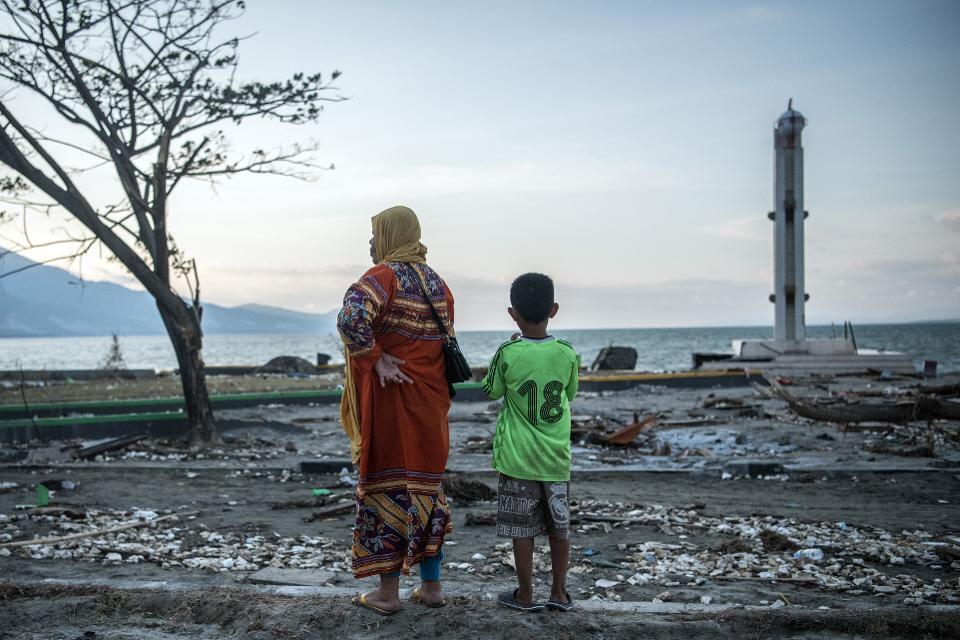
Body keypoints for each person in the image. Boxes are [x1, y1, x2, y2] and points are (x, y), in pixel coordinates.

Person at [337, 205, 454, 615]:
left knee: (390, 486)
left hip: (393, 405)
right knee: (426, 490)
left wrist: (377, 358)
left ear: (391, 235)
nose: (371, 243)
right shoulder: (438, 285)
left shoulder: (383, 277)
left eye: (375, 233)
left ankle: (387, 595)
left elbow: (351, 318)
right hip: (432, 407)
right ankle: (432, 587)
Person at [481, 273, 579, 612]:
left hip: (517, 459)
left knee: (521, 529)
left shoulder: (508, 352)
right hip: (555, 459)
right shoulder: (566, 353)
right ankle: (560, 593)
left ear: (513, 314)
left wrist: (508, 350)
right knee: (559, 526)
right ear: (554, 309)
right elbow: (570, 393)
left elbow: (490, 390)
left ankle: (525, 594)